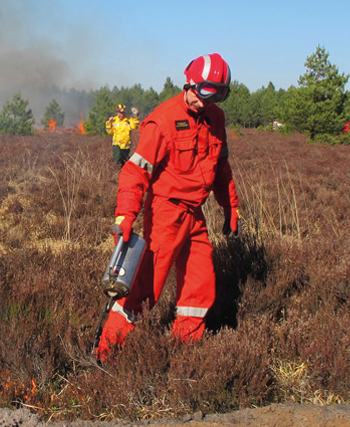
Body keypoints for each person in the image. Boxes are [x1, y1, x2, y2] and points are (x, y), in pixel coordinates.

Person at [96, 53, 241, 361]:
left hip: (195, 215)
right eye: (204, 94)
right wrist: (125, 215)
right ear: (189, 83)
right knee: (143, 290)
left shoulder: (216, 118)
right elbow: (134, 172)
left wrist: (231, 208)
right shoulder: (162, 121)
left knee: (200, 287)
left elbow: (222, 168)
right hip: (165, 214)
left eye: (216, 96)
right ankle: (105, 354)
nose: (207, 103)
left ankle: (184, 353)